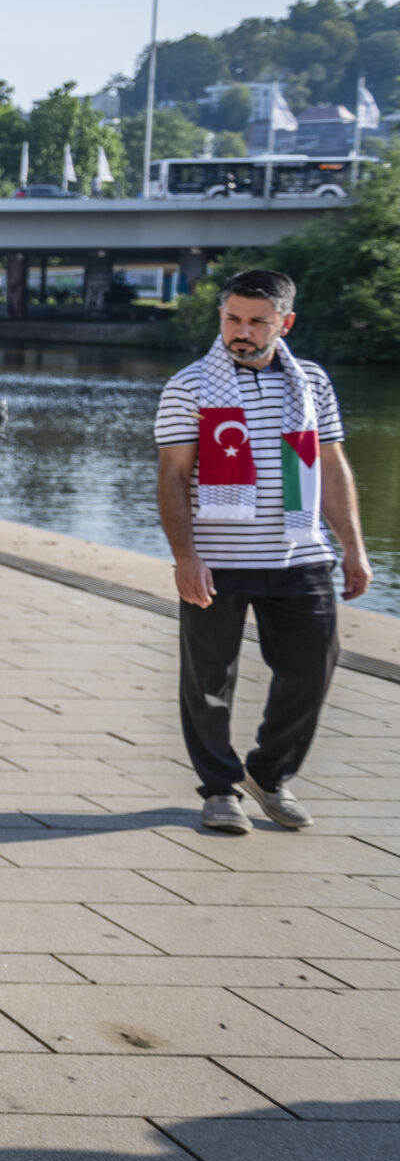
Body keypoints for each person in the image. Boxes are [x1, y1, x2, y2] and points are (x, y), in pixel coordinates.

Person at [155, 269, 370, 835]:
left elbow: (331, 466)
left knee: (313, 668)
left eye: (256, 321)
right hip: (220, 558)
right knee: (208, 679)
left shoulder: (313, 384)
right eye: (232, 319)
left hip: (300, 554)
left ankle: (269, 775)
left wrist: (353, 547)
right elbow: (174, 477)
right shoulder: (189, 386)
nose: (241, 332)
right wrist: (186, 556)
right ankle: (220, 787)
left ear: (285, 322)